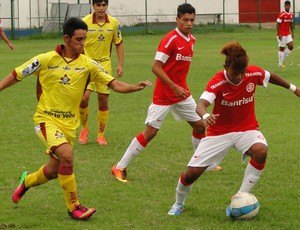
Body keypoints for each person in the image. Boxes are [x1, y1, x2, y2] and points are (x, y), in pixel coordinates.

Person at [0, 17, 151, 220]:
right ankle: (74, 207)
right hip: (46, 120)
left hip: (70, 126)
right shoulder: (45, 59)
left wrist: (134, 86)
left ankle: (26, 182)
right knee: (67, 155)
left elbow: (114, 84)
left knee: (53, 171)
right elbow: (16, 74)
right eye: (79, 40)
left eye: (84, 39)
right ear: (66, 39)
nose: (83, 44)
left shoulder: (89, 65)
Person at [167, 41, 300, 216]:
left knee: (261, 151)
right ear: (225, 66)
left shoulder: (252, 72)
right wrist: (206, 116)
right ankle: (179, 203)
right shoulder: (217, 81)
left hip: (247, 129)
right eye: (235, 73)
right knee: (192, 173)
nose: (239, 77)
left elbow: (271, 76)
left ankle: (241, 195)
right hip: (219, 133)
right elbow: (201, 104)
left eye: (242, 72)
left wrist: (294, 88)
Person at [111, 3, 221, 183]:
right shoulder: (170, 39)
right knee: (150, 132)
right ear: (177, 19)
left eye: (192, 20)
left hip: (182, 94)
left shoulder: (191, 40)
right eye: (185, 20)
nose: (189, 23)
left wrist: (179, 88)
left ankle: (202, 163)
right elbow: (155, 67)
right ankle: (119, 167)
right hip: (164, 95)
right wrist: (173, 86)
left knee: (200, 126)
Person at [78, 0, 124, 145]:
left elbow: (118, 42)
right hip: (86, 64)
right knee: (83, 98)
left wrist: (120, 64)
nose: (101, 8)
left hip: (104, 64)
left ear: (107, 6)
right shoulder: (84, 22)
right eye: (98, 5)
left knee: (103, 100)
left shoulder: (114, 23)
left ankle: (101, 134)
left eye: (104, 5)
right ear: (93, 6)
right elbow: (77, 42)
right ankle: (84, 129)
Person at [276, 0, 294, 68]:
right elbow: (277, 24)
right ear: (284, 6)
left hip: (288, 33)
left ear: (290, 6)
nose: (287, 6)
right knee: (282, 48)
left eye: (288, 5)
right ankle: (280, 64)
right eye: (286, 5)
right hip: (281, 34)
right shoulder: (282, 14)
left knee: (291, 47)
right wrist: (279, 34)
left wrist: (292, 32)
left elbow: (291, 24)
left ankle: (282, 58)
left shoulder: (291, 14)